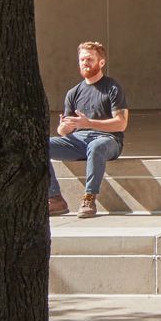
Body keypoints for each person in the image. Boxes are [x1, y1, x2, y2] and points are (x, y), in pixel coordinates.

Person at [46, 40, 130, 218]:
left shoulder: (112, 87)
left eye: (90, 59)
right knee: (41, 145)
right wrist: (64, 127)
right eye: (82, 59)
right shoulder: (73, 92)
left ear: (101, 62)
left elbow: (121, 123)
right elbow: (63, 131)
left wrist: (88, 123)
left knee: (96, 146)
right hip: (78, 141)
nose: (85, 63)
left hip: (108, 140)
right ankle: (55, 198)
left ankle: (89, 199)